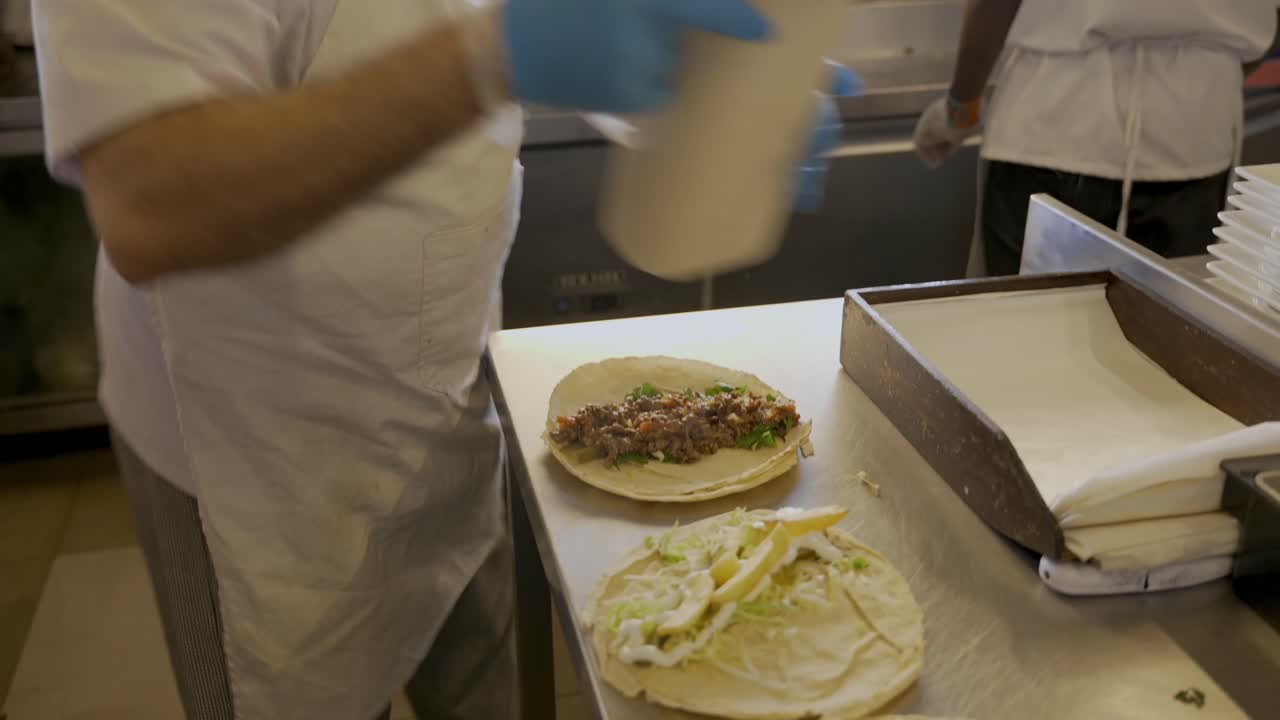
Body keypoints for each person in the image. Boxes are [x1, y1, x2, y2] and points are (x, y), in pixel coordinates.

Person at [32, 1, 852, 718]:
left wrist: (702, 106)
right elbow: (147, 197)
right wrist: (489, 54)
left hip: (444, 390)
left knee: (483, 686)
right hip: (259, 446)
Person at [913, 0, 1280, 277]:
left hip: (1055, 121)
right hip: (1197, 136)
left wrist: (961, 110)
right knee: (1162, 353)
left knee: (1020, 342)